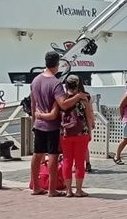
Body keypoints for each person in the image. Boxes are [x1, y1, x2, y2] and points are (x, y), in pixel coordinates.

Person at [29, 51, 67, 196]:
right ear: (57, 64)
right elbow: (62, 104)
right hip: (52, 125)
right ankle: (52, 189)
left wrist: (35, 120)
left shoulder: (35, 81)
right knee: (52, 155)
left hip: (38, 123)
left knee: (37, 154)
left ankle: (36, 186)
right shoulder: (56, 83)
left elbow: (33, 104)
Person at [57, 75, 95, 196]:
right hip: (81, 133)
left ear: (66, 84)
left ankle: (68, 190)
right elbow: (88, 115)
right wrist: (89, 131)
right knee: (79, 161)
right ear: (78, 84)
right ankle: (79, 190)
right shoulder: (85, 97)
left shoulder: (62, 97)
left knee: (67, 161)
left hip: (65, 133)